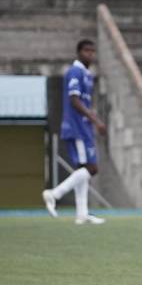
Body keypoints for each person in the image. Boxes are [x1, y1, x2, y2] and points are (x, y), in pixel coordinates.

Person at [42, 40, 106, 225]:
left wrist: (92, 119)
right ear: (78, 52)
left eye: (93, 51)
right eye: (87, 51)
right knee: (91, 168)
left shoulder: (86, 74)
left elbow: (84, 102)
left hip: (83, 127)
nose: (90, 55)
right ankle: (54, 194)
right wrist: (96, 120)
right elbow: (74, 100)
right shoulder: (75, 72)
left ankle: (82, 214)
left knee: (82, 169)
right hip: (77, 127)